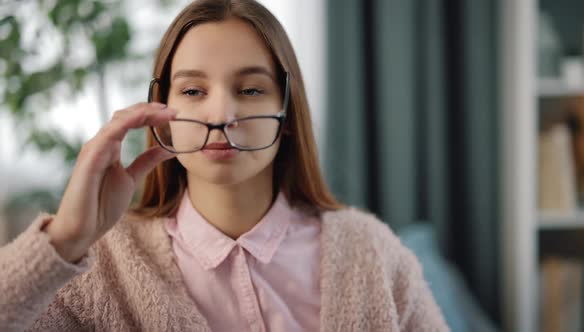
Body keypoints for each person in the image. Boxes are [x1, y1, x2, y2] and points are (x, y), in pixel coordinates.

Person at [0, 0, 449, 331]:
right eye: (193, 91)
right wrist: (65, 239)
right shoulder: (100, 266)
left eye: (251, 90)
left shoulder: (372, 254)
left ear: (288, 114)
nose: (220, 116)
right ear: (162, 111)